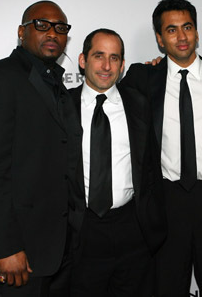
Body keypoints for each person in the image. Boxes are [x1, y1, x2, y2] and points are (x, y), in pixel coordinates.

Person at [122, 0, 202, 297]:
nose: (182, 36)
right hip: (165, 203)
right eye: (171, 30)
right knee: (166, 289)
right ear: (160, 39)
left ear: (197, 32)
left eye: (187, 27)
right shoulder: (142, 78)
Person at [0, 0, 81, 296]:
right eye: (41, 25)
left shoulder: (59, 86)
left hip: (62, 250)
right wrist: (6, 248)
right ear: (22, 31)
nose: (53, 33)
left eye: (61, 28)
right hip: (22, 254)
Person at [68, 29, 166, 297]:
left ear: (123, 65)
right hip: (81, 232)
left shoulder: (139, 104)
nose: (106, 66)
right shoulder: (61, 107)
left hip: (132, 230)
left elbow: (150, 166)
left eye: (114, 58)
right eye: (98, 56)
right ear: (82, 60)